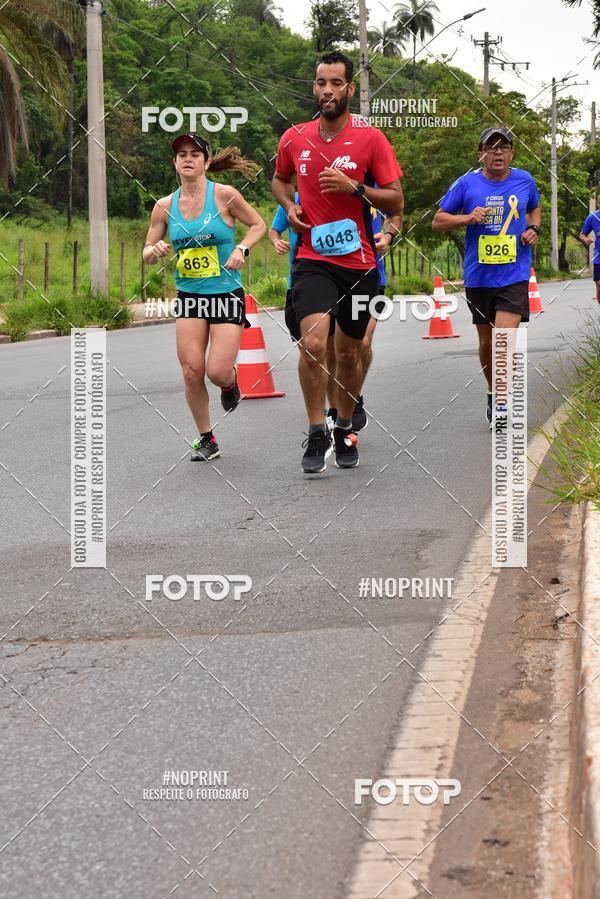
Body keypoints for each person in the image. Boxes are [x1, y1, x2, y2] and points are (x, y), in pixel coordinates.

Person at [272, 50, 404, 474]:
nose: (327, 91)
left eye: (335, 84)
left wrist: (356, 188)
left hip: (359, 263)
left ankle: (345, 426)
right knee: (312, 345)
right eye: (320, 83)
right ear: (314, 87)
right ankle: (316, 431)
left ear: (349, 88)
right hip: (312, 259)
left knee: (349, 354)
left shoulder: (371, 139)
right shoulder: (294, 137)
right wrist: (288, 208)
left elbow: (396, 198)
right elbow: (280, 179)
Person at [143, 133, 265, 460]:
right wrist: (153, 251)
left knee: (216, 371)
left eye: (195, 154)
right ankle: (206, 437)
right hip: (189, 297)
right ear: (174, 163)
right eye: (181, 154)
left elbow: (257, 225)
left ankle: (229, 383)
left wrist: (242, 248)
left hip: (225, 294)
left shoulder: (224, 196)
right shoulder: (164, 207)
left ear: (206, 162)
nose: (187, 159)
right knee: (191, 370)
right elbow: (146, 251)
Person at [432, 127, 541, 428]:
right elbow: (438, 220)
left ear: (511, 153)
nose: (497, 152)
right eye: (490, 147)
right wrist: (466, 218)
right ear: (480, 153)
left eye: (503, 147)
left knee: (504, 339)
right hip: (479, 277)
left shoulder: (524, 180)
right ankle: (493, 393)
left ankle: (503, 402)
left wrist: (534, 230)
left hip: (514, 275)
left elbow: (534, 208)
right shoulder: (465, 184)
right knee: (487, 341)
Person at [271, 194, 401, 433]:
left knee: (360, 342)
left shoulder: (368, 187)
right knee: (326, 349)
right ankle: (336, 411)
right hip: (317, 278)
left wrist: (388, 235)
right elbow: (274, 228)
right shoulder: (298, 195)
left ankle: (353, 395)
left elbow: (395, 212)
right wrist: (276, 239)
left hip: (366, 275)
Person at [578, 194, 600, 304]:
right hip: (598, 257)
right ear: (598, 204)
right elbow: (582, 234)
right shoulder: (593, 217)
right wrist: (585, 240)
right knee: (599, 284)